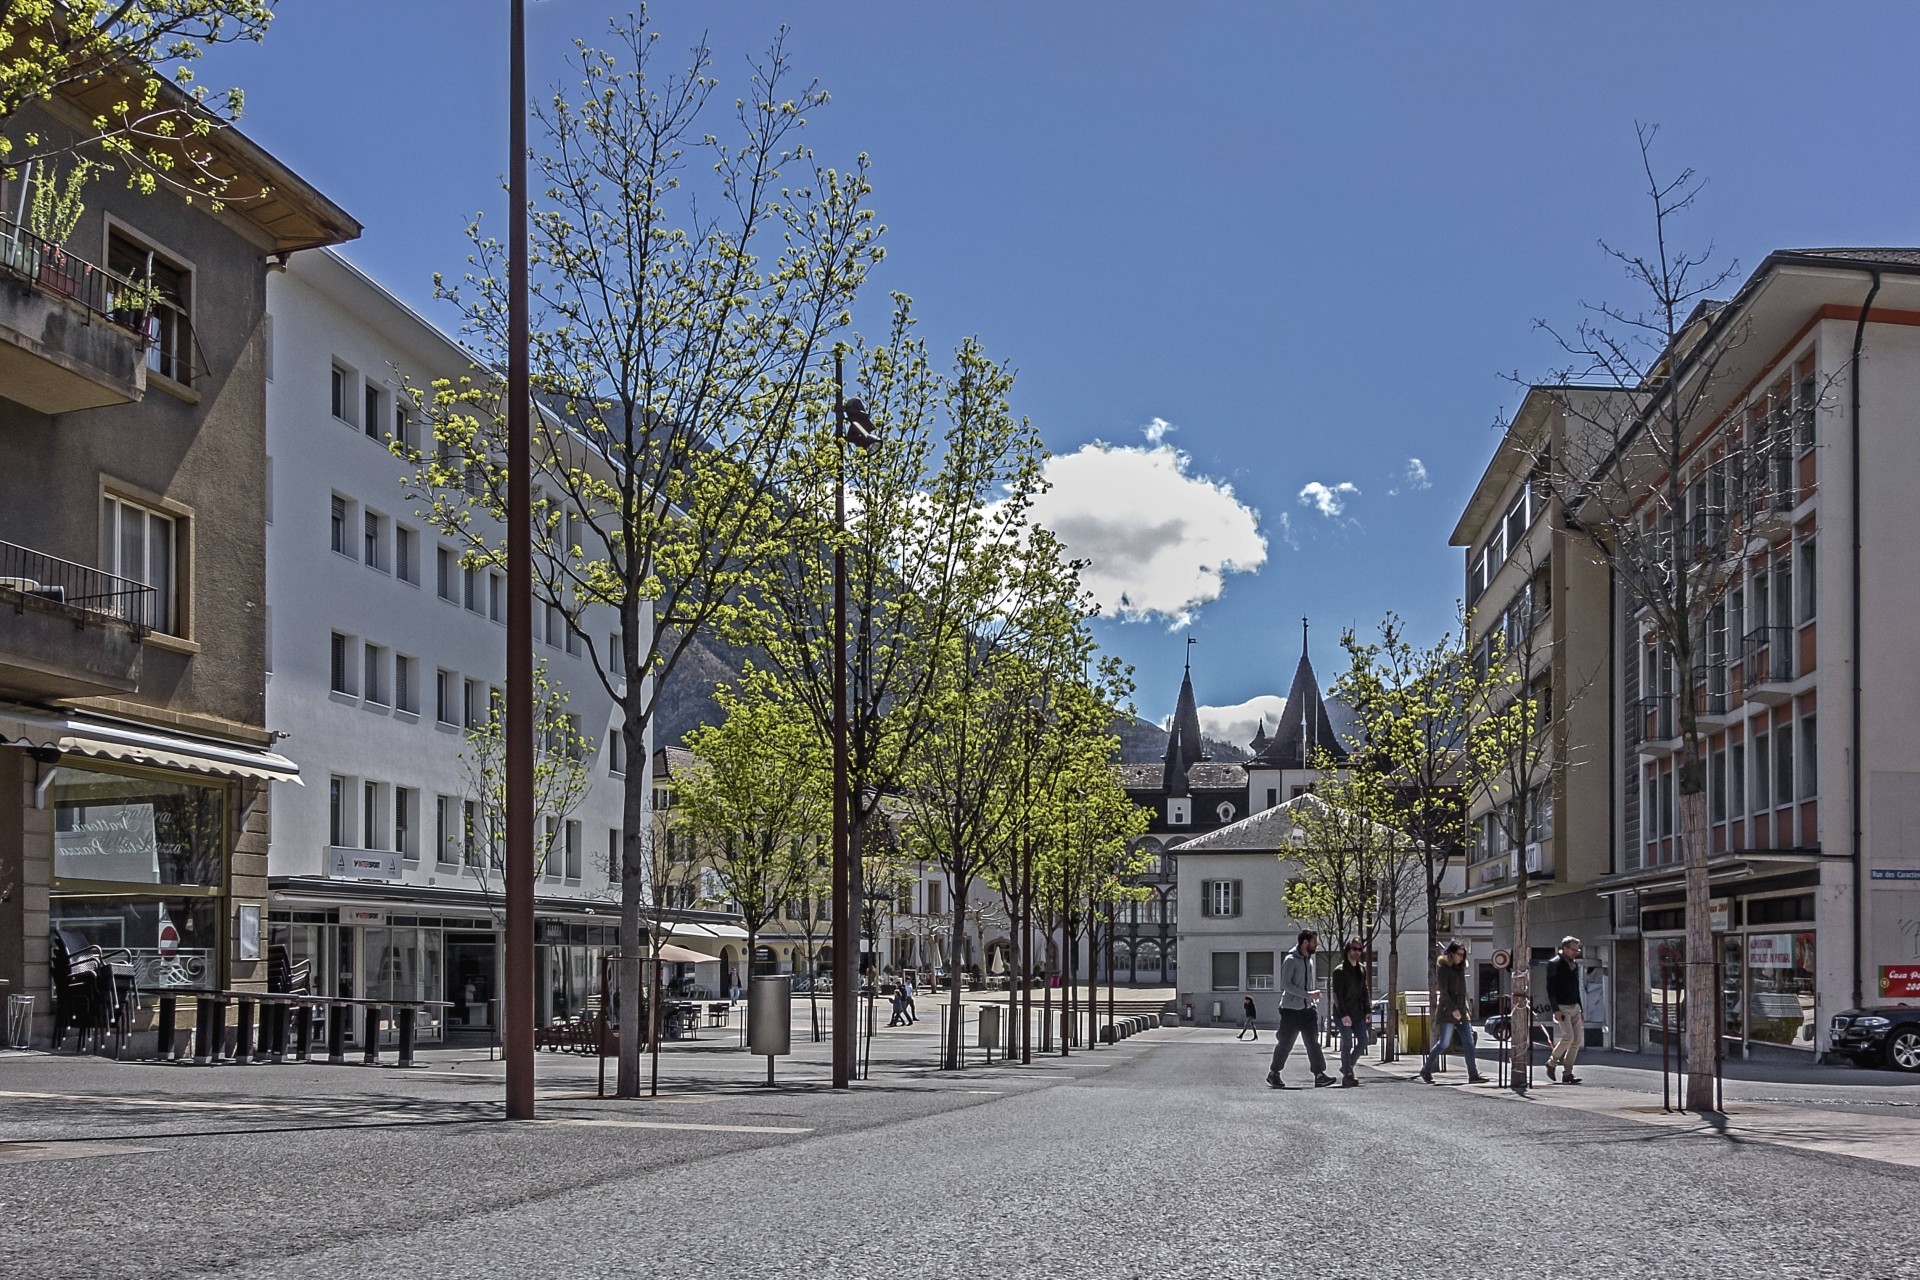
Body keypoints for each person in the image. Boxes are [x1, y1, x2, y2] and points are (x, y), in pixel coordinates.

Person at [1267, 929, 1337, 1089]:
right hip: (1290, 1010)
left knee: (1313, 1043)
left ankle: (1319, 1075)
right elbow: (1285, 984)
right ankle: (1274, 1073)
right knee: (1285, 1043)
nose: (1316, 945)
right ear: (1305, 942)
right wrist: (1307, 994)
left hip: (1308, 1010)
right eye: (1314, 942)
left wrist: (1311, 997)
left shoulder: (1309, 961)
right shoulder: (1291, 960)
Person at [1418, 941, 1488, 1085]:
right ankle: (1426, 1069)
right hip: (1447, 1012)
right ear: (1451, 953)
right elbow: (1443, 992)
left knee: (1469, 1043)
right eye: (1459, 954)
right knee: (1443, 1043)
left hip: (1462, 1011)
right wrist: (1453, 1009)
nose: (1461, 957)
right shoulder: (1444, 969)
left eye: (1463, 955)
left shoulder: (1460, 969)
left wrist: (1464, 1009)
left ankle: (1473, 1074)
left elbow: (1462, 993)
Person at [1330, 939, 1370, 1087]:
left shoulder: (1361, 969)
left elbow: (1364, 990)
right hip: (1343, 1013)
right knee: (1347, 1042)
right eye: (1354, 949)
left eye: (1360, 949)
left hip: (1358, 1013)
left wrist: (1368, 1010)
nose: (1357, 952)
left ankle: (1347, 1066)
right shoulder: (1339, 971)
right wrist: (1344, 1014)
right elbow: (1337, 996)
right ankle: (1348, 1074)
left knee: (1363, 1041)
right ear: (1348, 950)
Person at [1544, 935, 1584, 1083]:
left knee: (1577, 1040)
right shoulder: (1554, 963)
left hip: (1574, 1005)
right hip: (1562, 1005)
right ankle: (1551, 1063)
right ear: (1564, 948)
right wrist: (1555, 1009)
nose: (1575, 952)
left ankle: (1568, 1073)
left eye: (1577, 950)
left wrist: (1581, 1007)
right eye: (1573, 949)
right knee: (1568, 1037)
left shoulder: (1574, 964)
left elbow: (1576, 987)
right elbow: (1550, 988)